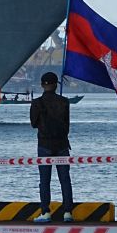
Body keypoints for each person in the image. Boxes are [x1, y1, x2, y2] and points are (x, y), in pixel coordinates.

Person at [31, 71, 74, 222]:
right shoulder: (65, 102)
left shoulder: (37, 103)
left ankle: (45, 212)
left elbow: (33, 124)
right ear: (56, 85)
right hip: (62, 144)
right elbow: (67, 125)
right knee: (65, 179)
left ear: (42, 85)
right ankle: (68, 212)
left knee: (44, 180)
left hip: (44, 145)